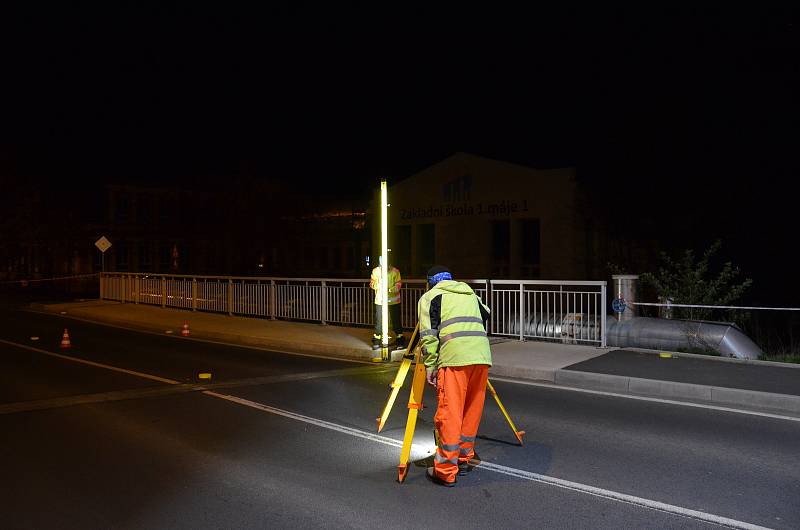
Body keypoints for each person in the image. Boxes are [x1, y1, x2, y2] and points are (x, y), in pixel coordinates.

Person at [418, 265, 491, 487]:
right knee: (471, 410)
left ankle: (445, 470)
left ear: (431, 281)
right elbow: (486, 314)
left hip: (454, 359)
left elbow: (429, 335)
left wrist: (430, 364)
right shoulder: (469, 293)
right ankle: (464, 459)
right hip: (481, 356)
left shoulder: (430, 297)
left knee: (451, 412)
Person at [369, 257, 404, 350]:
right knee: (379, 321)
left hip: (394, 301)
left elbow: (398, 284)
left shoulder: (395, 271)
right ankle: (376, 341)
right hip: (380, 300)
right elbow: (372, 284)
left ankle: (400, 341)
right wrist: (379, 285)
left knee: (396, 321)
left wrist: (389, 289)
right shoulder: (376, 271)